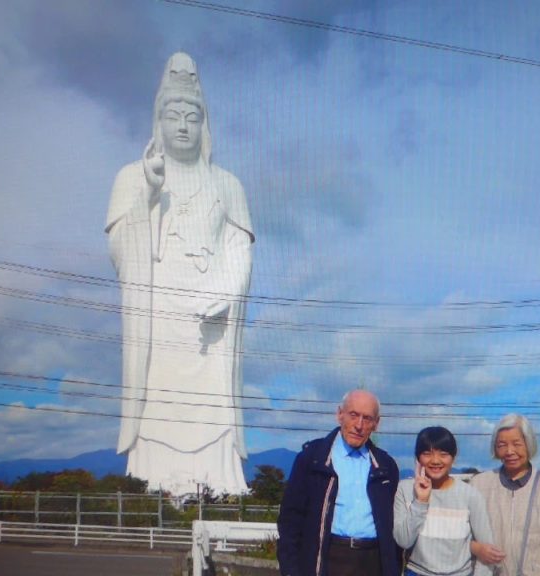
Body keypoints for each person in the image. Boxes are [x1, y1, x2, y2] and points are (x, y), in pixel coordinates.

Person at [105, 52, 255, 496]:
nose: (183, 126)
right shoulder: (132, 177)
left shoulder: (228, 184)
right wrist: (148, 197)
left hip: (209, 317)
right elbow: (118, 249)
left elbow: (239, 248)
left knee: (213, 402)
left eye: (193, 116)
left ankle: (222, 485)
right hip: (158, 314)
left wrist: (227, 290)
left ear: (205, 123)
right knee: (159, 397)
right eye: (174, 115)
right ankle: (151, 482)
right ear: (158, 121)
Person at [277, 390, 400, 576]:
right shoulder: (313, 459)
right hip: (329, 557)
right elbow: (290, 521)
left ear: (376, 424)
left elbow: (393, 528)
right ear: (339, 414)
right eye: (353, 415)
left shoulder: (385, 466)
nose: (359, 425)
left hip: (373, 560)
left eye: (367, 418)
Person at [469, 414, 540, 576]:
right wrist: (476, 548)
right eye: (502, 445)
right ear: (495, 448)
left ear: (529, 444)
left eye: (517, 444)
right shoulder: (480, 484)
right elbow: (461, 535)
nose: (510, 451)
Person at [394, 426, 495, 576]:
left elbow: (486, 550)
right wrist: (421, 501)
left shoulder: (470, 495)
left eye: (443, 454)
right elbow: (403, 540)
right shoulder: (405, 489)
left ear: (453, 458)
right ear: (418, 458)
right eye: (427, 453)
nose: (435, 461)